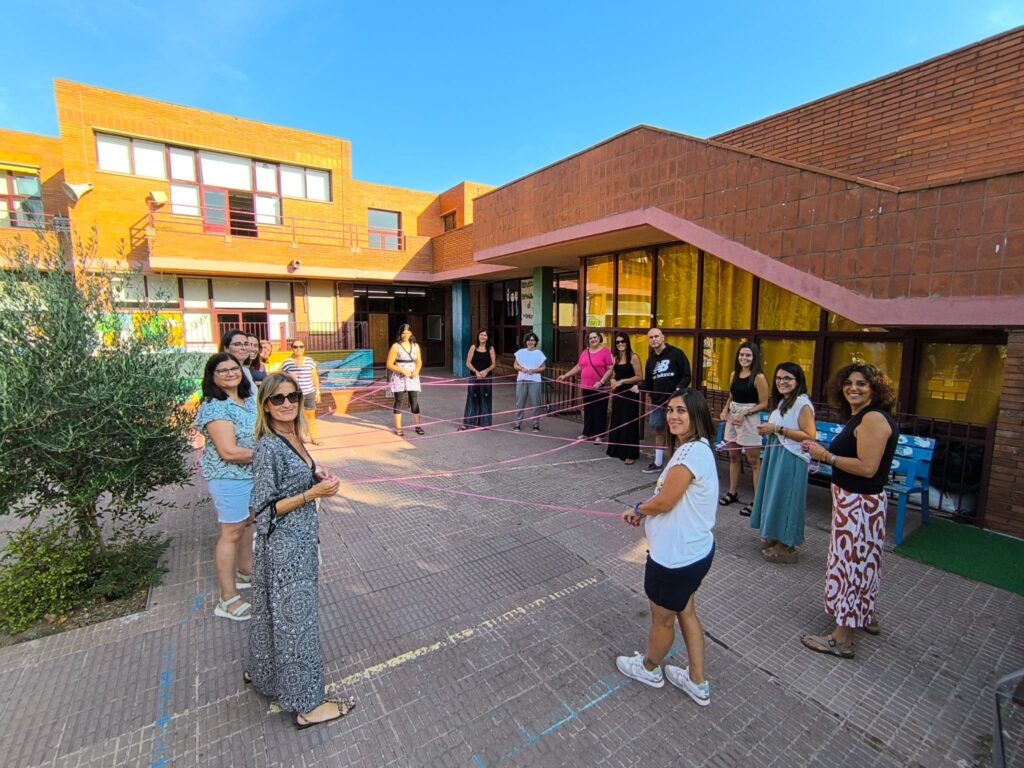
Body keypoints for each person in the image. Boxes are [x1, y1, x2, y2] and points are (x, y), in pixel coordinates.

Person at [247, 373, 356, 728]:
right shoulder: (267, 447)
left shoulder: (292, 434)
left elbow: (290, 481)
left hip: (300, 541)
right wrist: (312, 494)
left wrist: (316, 475)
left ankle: (265, 675)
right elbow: (264, 509)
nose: (287, 404)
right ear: (265, 405)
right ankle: (308, 705)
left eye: (292, 396)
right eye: (277, 399)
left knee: (272, 614)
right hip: (285, 550)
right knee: (297, 622)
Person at [616, 388, 718, 707]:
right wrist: (646, 510)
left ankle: (648, 668)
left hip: (675, 559)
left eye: (681, 411)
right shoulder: (696, 448)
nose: (673, 416)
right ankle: (697, 681)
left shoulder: (691, 454)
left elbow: (665, 501)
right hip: (693, 553)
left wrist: (638, 509)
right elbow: (668, 498)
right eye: (671, 410)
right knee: (685, 610)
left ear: (696, 415)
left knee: (663, 619)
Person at [800, 363, 899, 659]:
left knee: (853, 566)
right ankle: (862, 615)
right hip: (851, 502)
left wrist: (826, 456)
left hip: (860, 506)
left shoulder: (873, 418)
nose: (853, 388)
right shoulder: (862, 416)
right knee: (859, 563)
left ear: (875, 389)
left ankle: (842, 639)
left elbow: (867, 468)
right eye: (848, 383)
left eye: (862, 383)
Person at [194, 353, 256, 621]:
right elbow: (228, 452)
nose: (231, 373)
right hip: (229, 477)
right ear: (212, 376)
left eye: (234, 368)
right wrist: (270, 454)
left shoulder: (248, 400)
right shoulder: (215, 406)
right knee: (231, 532)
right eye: (223, 370)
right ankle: (227, 598)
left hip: (252, 473)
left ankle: (246, 572)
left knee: (247, 523)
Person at [748, 363, 817, 563]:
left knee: (788, 499)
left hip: (791, 457)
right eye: (778, 378)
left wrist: (777, 429)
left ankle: (787, 544)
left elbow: (809, 435)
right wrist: (768, 430)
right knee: (775, 496)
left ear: (798, 381)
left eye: (787, 378)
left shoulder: (802, 403)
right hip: (777, 454)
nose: (782, 382)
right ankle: (775, 534)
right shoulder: (784, 401)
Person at [717, 342, 770, 516]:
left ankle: (758, 500)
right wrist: (725, 409)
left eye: (748, 355)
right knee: (733, 456)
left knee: (753, 461)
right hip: (733, 416)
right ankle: (733, 491)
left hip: (749, 418)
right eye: (742, 354)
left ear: (754, 357)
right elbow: (732, 395)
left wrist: (745, 413)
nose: (744, 358)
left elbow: (764, 403)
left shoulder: (759, 377)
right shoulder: (734, 374)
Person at [639, 328, 691, 473]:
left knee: (680, 432)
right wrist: (639, 387)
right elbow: (649, 382)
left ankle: (682, 463)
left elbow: (687, 376)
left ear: (663, 338)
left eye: (656, 336)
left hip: (676, 403)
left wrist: (678, 389)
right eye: (651, 337)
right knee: (659, 430)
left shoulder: (677, 353)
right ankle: (658, 463)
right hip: (657, 402)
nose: (654, 339)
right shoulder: (650, 360)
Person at [557, 330, 614, 442]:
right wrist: (566, 375)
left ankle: (599, 435)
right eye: (590, 338)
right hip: (586, 386)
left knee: (600, 411)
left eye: (595, 337)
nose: (593, 340)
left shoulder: (605, 351)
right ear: (588, 340)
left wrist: (601, 382)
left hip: (600, 387)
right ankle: (587, 432)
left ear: (599, 338)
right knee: (588, 410)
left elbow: (610, 369)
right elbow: (579, 367)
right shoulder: (585, 352)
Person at [605, 333, 644, 465]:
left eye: (623, 341)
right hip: (618, 392)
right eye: (618, 342)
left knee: (628, 421)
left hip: (630, 393)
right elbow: (614, 373)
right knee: (617, 419)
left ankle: (630, 454)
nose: (620, 344)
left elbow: (639, 376)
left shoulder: (633, 357)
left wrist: (622, 381)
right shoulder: (616, 357)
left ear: (627, 343)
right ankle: (616, 450)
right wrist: (612, 380)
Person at [281, 339, 322, 445]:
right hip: (294, 395)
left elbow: (315, 377)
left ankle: (314, 438)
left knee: (311, 416)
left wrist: (317, 392)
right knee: (295, 417)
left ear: (304, 348)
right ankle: (298, 438)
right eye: (295, 347)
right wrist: (289, 376)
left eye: (301, 346)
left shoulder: (309, 361)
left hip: (309, 393)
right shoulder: (287, 362)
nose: (298, 349)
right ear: (292, 348)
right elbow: (281, 377)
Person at [386, 323, 424, 437]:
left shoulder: (415, 346)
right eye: (403, 333)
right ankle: (398, 428)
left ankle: (417, 426)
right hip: (399, 377)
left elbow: (419, 361)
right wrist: (402, 370)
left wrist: (417, 371)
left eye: (407, 333)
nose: (405, 335)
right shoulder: (395, 346)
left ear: (411, 333)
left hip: (412, 376)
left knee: (414, 401)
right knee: (399, 401)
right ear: (400, 333)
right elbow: (389, 364)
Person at [460, 329, 496, 430]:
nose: (483, 337)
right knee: (472, 398)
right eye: (481, 335)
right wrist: (476, 371)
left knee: (485, 399)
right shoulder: (473, 347)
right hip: (474, 377)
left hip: (486, 377)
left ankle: (485, 423)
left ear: (488, 337)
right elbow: (468, 363)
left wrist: (486, 371)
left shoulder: (490, 348)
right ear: (478, 336)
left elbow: (494, 364)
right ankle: (468, 423)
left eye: (485, 335)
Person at [513, 332, 546, 432]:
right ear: (525, 341)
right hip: (522, 379)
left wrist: (534, 370)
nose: (530, 342)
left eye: (532, 340)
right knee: (520, 403)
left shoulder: (539, 353)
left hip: (535, 380)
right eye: (528, 340)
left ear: (535, 342)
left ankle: (536, 424)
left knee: (536, 403)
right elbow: (515, 365)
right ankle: (517, 423)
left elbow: (543, 367)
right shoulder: (520, 352)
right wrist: (522, 369)